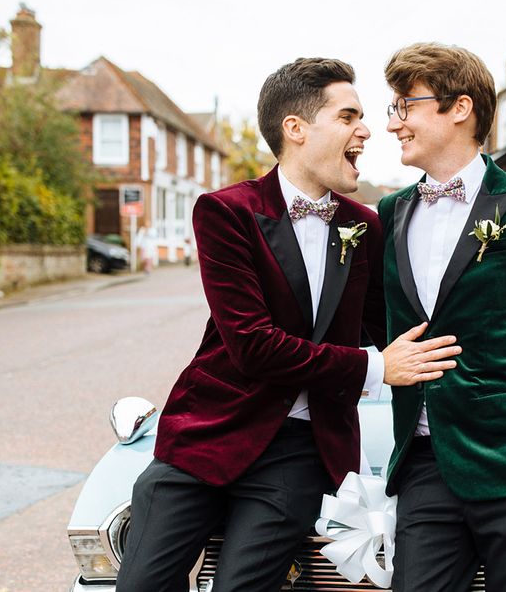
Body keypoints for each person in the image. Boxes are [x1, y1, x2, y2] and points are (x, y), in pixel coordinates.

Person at [116, 57, 460, 592]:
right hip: (209, 432)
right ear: (296, 129)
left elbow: (393, 330)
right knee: (139, 585)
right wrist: (376, 368)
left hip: (301, 450)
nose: (367, 130)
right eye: (348, 117)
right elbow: (253, 345)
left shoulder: (365, 226)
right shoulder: (226, 212)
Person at [378, 43, 506, 592]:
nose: (393, 122)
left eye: (406, 105)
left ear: (460, 108)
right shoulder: (390, 211)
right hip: (424, 461)